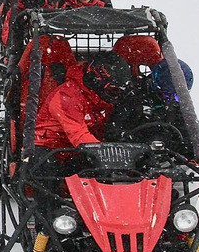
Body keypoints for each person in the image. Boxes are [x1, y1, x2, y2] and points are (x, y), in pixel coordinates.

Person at [33, 52, 133, 215]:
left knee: (103, 172)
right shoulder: (67, 96)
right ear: (97, 80)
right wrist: (108, 154)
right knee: (46, 174)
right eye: (114, 91)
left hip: (78, 150)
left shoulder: (100, 97)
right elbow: (79, 135)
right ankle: (50, 224)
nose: (116, 96)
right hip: (49, 147)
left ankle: (105, 218)